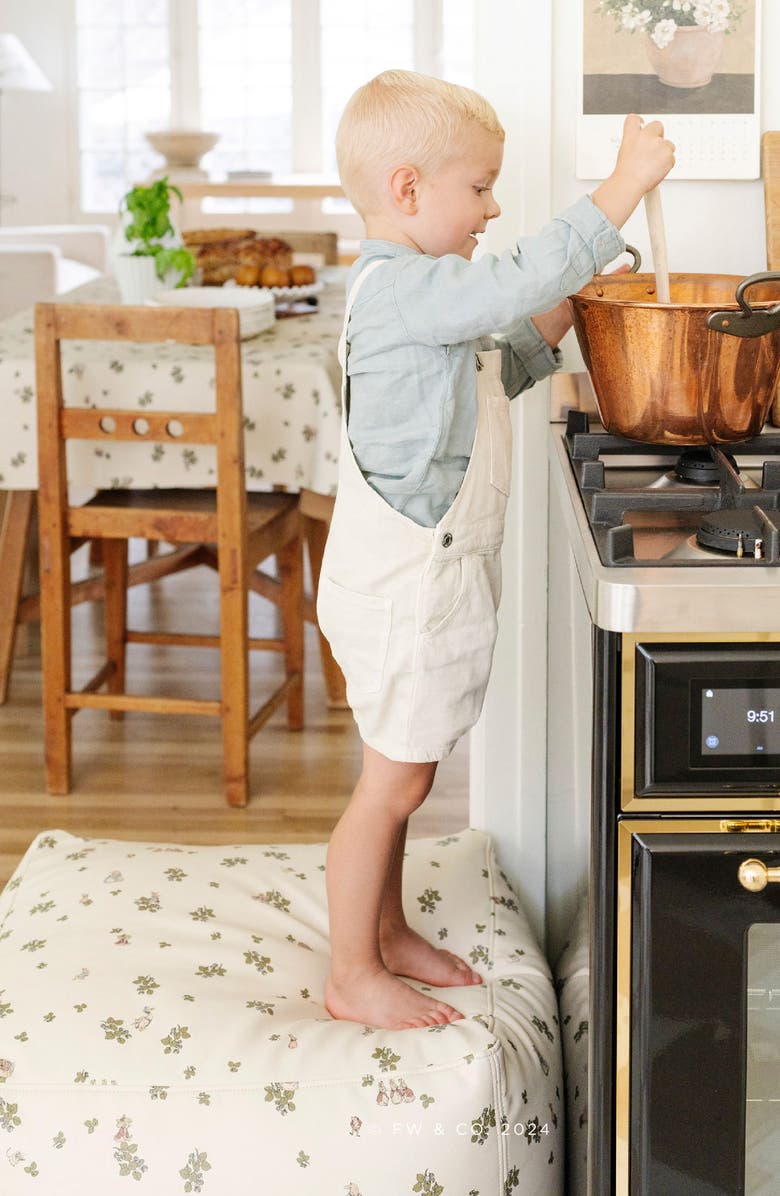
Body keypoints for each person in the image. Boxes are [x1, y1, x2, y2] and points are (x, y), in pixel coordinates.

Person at [316, 69, 674, 1031]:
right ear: (406, 190)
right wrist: (619, 189)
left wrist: (571, 306)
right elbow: (509, 284)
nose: (492, 206)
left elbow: (505, 357)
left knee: (407, 767)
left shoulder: (430, 308)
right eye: (478, 188)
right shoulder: (407, 291)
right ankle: (351, 969)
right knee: (393, 784)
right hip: (404, 588)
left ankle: (385, 934)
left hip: (410, 580)